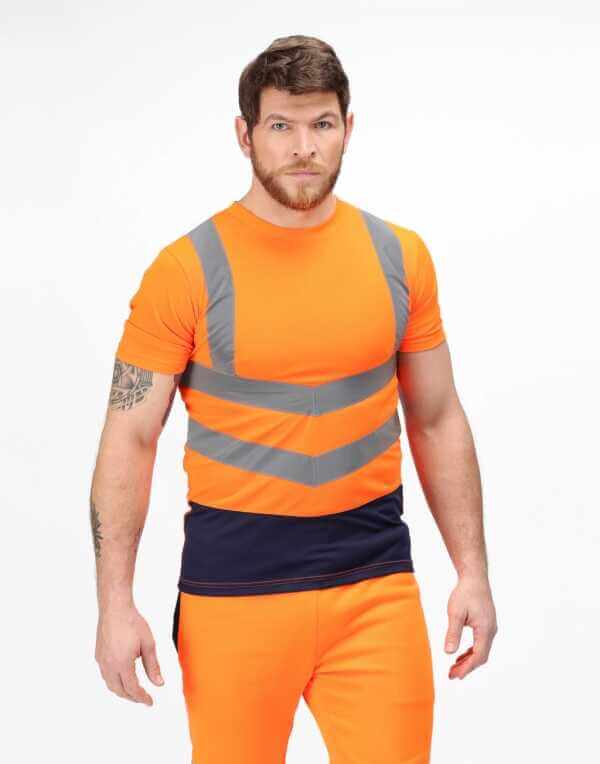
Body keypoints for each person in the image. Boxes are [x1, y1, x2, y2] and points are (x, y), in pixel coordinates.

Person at [90, 34, 497, 763]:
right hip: (232, 597)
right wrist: (114, 605)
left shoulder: (400, 257)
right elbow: (130, 438)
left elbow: (437, 418)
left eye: (322, 124)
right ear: (244, 134)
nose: (304, 147)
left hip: (375, 587)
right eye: (281, 125)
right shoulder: (184, 271)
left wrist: (473, 572)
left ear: (348, 128)